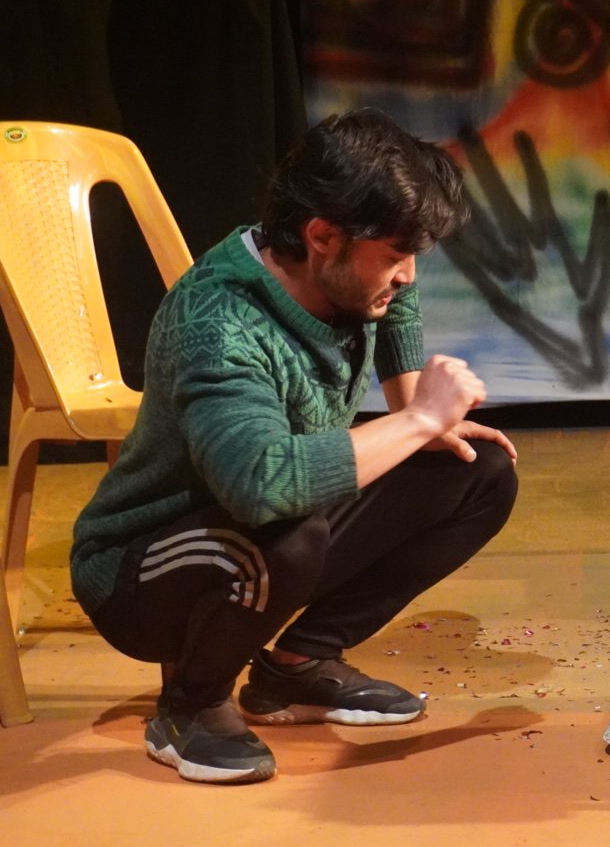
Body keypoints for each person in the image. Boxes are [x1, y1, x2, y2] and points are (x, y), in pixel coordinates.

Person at [71, 109, 519, 784]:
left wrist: (417, 415)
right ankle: (190, 703)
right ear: (322, 236)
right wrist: (421, 419)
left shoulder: (343, 272)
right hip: (143, 571)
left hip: (262, 525)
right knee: (289, 528)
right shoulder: (219, 324)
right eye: (394, 256)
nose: (407, 275)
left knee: (477, 471)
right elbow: (261, 486)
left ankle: (297, 666)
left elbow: (397, 304)